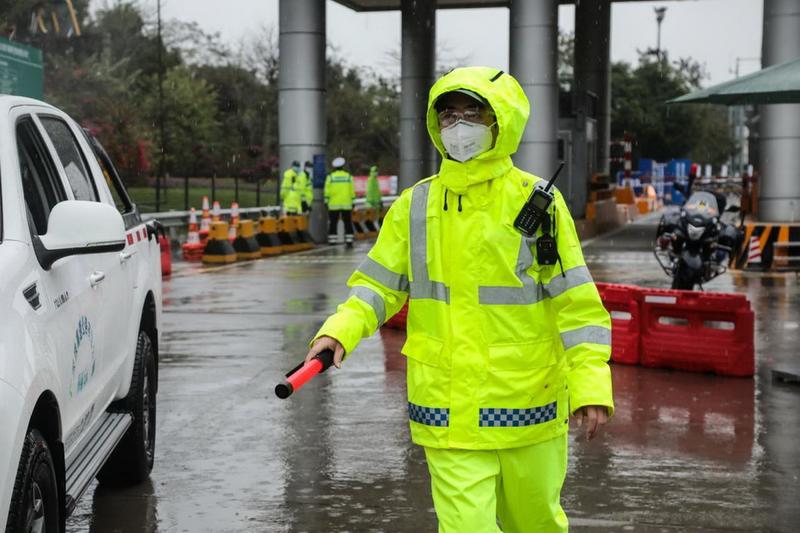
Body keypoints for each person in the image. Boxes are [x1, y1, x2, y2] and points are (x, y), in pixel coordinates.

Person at [305, 67, 613, 532]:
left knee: (536, 525)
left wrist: (590, 384)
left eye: (472, 114)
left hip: (528, 404)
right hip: (447, 411)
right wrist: (339, 331)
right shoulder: (414, 206)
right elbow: (377, 286)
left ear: (501, 123)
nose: (458, 127)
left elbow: (577, 304)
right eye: (448, 116)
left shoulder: (539, 205)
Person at [324, 156, 356, 247]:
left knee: (333, 223)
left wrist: (326, 201)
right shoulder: (348, 177)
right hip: (346, 204)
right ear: (343, 166)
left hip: (333, 204)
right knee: (348, 223)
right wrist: (353, 201)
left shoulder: (330, 177)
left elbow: (327, 191)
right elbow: (352, 190)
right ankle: (349, 241)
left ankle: (332, 240)